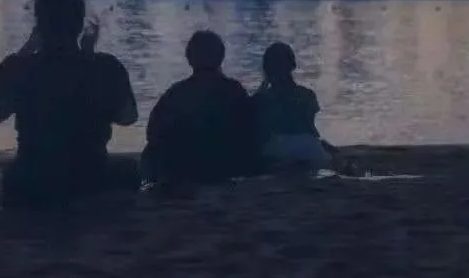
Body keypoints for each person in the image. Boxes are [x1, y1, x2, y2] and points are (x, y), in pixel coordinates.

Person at [0, 0, 139, 207]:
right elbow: (128, 117)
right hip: (91, 174)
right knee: (130, 169)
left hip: (34, 176)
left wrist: (25, 50)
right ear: (79, 25)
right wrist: (89, 59)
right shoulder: (105, 67)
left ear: (39, 26)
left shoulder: (22, 68)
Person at [142, 30, 257, 189]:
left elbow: (153, 132)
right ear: (220, 57)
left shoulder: (177, 93)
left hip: (184, 168)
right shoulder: (234, 90)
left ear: (190, 58)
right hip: (227, 165)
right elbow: (250, 130)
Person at [252, 40, 356, 175]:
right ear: (293, 65)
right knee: (328, 159)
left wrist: (264, 84)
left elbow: (259, 129)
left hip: (276, 147)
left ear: (266, 68)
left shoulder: (263, 98)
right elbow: (310, 129)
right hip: (307, 146)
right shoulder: (306, 95)